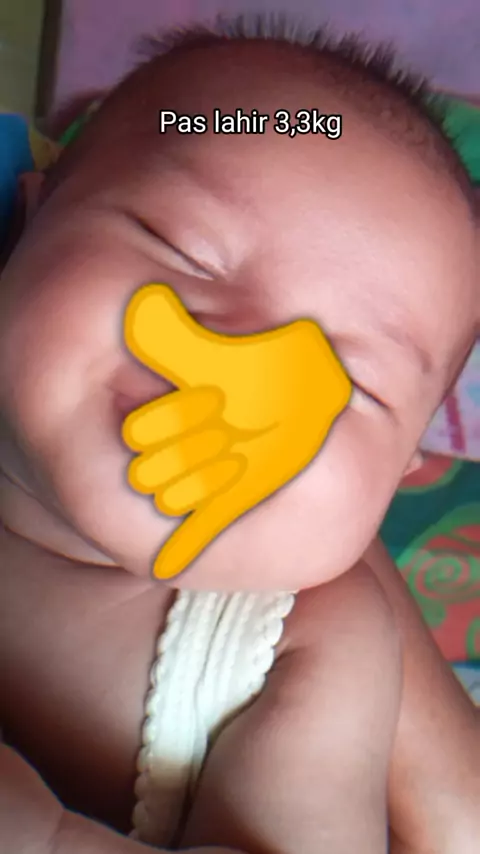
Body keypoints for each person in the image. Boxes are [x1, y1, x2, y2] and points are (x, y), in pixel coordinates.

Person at [0, 18, 478, 854]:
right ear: (25, 221)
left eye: (353, 383)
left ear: (398, 474)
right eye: (185, 249)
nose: (249, 356)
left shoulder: (310, 647)